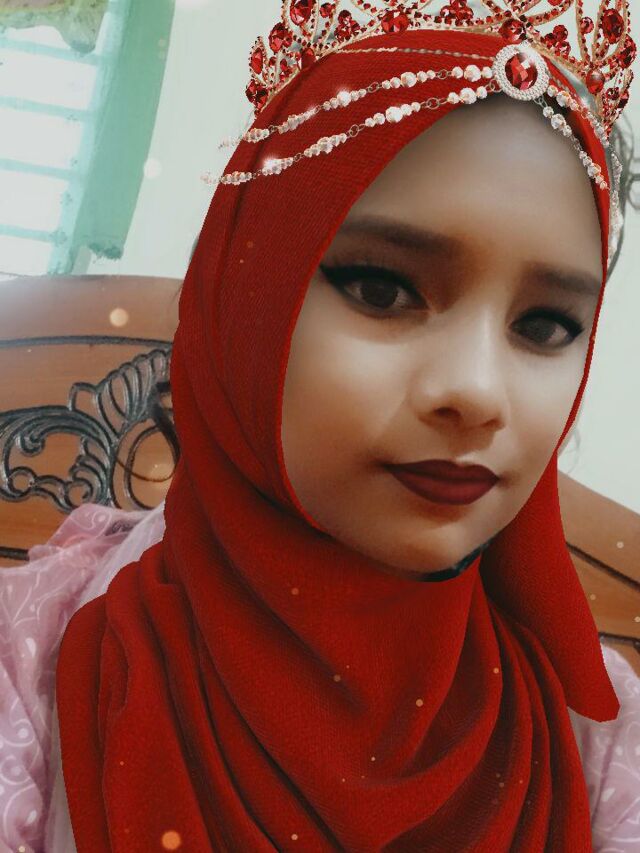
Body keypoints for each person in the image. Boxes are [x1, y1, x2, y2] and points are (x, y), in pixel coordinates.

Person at [1, 10, 639, 853]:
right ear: (246, 300)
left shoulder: (599, 741)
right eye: (382, 289)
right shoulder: (31, 660)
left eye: (547, 325)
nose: (478, 391)